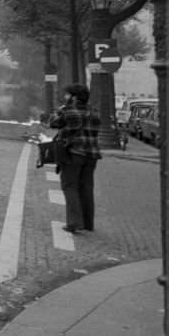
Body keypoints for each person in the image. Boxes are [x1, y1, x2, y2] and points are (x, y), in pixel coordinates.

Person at [49, 83, 102, 234]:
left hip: (73, 153)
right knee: (86, 187)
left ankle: (74, 223)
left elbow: (53, 123)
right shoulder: (94, 112)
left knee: (69, 186)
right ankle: (87, 223)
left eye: (67, 94)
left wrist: (61, 108)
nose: (65, 97)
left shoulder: (68, 110)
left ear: (74, 96)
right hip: (92, 155)